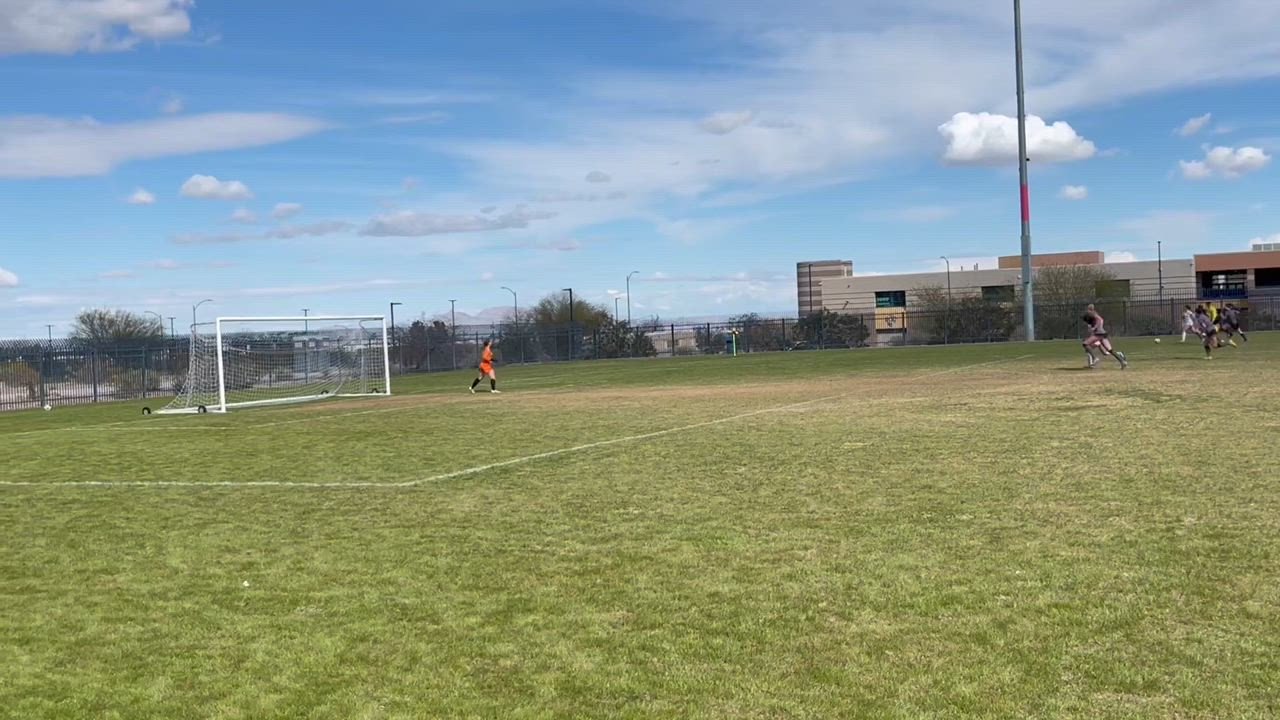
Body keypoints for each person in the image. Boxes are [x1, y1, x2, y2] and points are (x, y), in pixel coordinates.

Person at [1082, 304, 1128, 369]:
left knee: (1085, 344)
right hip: (1102, 334)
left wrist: (1095, 327)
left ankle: (1095, 358)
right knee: (1110, 350)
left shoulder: (1093, 315)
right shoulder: (1092, 316)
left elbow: (1100, 320)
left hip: (1098, 334)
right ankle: (1122, 361)